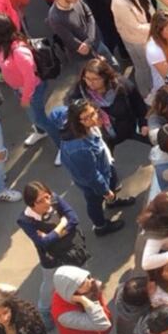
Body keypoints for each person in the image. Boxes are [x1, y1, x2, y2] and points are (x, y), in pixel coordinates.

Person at [57, 99, 136, 234]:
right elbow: (92, 176)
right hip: (93, 181)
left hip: (105, 165)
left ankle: (112, 202)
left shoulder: (87, 127)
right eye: (86, 118)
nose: (93, 118)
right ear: (77, 122)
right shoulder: (79, 148)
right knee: (94, 201)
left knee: (112, 183)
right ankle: (100, 226)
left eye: (93, 113)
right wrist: (105, 192)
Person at [17, 182, 87, 323]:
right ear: (31, 204)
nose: (47, 202)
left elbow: (74, 219)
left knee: (81, 274)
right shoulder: (25, 220)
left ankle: (82, 300)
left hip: (71, 247)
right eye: (40, 201)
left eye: (47, 197)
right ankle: (44, 310)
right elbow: (42, 243)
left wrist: (53, 235)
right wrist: (61, 225)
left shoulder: (54, 198)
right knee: (49, 284)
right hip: (50, 257)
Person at [50, 266, 111, 334]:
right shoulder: (64, 315)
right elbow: (103, 324)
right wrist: (84, 300)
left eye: (87, 277)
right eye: (82, 283)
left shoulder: (86, 287)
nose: (91, 281)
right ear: (72, 292)